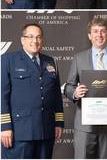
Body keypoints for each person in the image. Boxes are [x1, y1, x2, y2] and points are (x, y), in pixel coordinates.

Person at [64, 18, 107, 158]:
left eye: (103, 31)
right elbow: (68, 87)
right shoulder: (79, 58)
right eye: (95, 31)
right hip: (85, 125)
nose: (99, 35)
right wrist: (75, 92)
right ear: (89, 35)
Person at [1, 23, 64, 158]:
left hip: (46, 130)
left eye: (38, 37)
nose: (35, 41)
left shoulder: (50, 61)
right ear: (22, 39)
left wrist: (58, 122)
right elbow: (2, 96)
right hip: (20, 132)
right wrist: (5, 127)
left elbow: (56, 96)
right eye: (30, 37)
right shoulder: (8, 60)